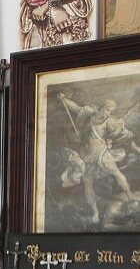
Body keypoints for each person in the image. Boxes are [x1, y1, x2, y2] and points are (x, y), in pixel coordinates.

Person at [57, 92, 140, 224]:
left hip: (101, 152)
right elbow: (76, 109)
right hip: (86, 155)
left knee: (117, 173)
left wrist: (109, 141)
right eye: (108, 109)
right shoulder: (90, 114)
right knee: (88, 184)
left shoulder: (110, 122)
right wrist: (64, 99)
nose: (108, 112)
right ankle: (95, 213)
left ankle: (130, 198)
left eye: (111, 111)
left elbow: (121, 134)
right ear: (102, 107)